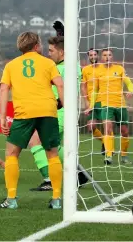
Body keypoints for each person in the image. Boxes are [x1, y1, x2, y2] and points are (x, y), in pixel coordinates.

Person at [0, 32, 64, 209]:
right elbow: (60, 84)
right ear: (36, 46)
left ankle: (11, 199)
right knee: (52, 154)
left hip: (24, 112)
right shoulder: (48, 63)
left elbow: (4, 90)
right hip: (48, 111)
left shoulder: (11, 66)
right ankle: (57, 199)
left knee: (12, 154)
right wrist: (64, 104)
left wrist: (3, 118)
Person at [28, 35, 88, 191]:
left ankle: (49, 180)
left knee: (36, 141)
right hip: (64, 112)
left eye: (51, 50)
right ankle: (78, 173)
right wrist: (61, 33)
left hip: (58, 111)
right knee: (53, 147)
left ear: (62, 52)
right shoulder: (73, 66)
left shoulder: (61, 69)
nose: (49, 53)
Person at [89, 48, 133, 165]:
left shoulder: (119, 69)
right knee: (108, 128)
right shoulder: (97, 72)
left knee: (124, 131)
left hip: (120, 104)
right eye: (104, 55)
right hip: (106, 104)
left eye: (109, 55)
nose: (107, 57)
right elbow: (95, 90)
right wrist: (91, 105)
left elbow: (128, 82)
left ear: (112, 56)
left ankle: (124, 156)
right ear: (102, 57)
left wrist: (130, 90)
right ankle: (108, 155)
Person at [81, 48, 105, 155]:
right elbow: (83, 87)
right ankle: (105, 141)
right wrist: (86, 101)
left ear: (98, 56)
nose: (93, 57)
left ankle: (109, 149)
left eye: (95, 54)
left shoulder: (104, 68)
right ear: (88, 57)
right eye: (91, 55)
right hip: (91, 102)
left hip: (103, 100)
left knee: (107, 125)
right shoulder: (85, 70)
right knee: (91, 127)